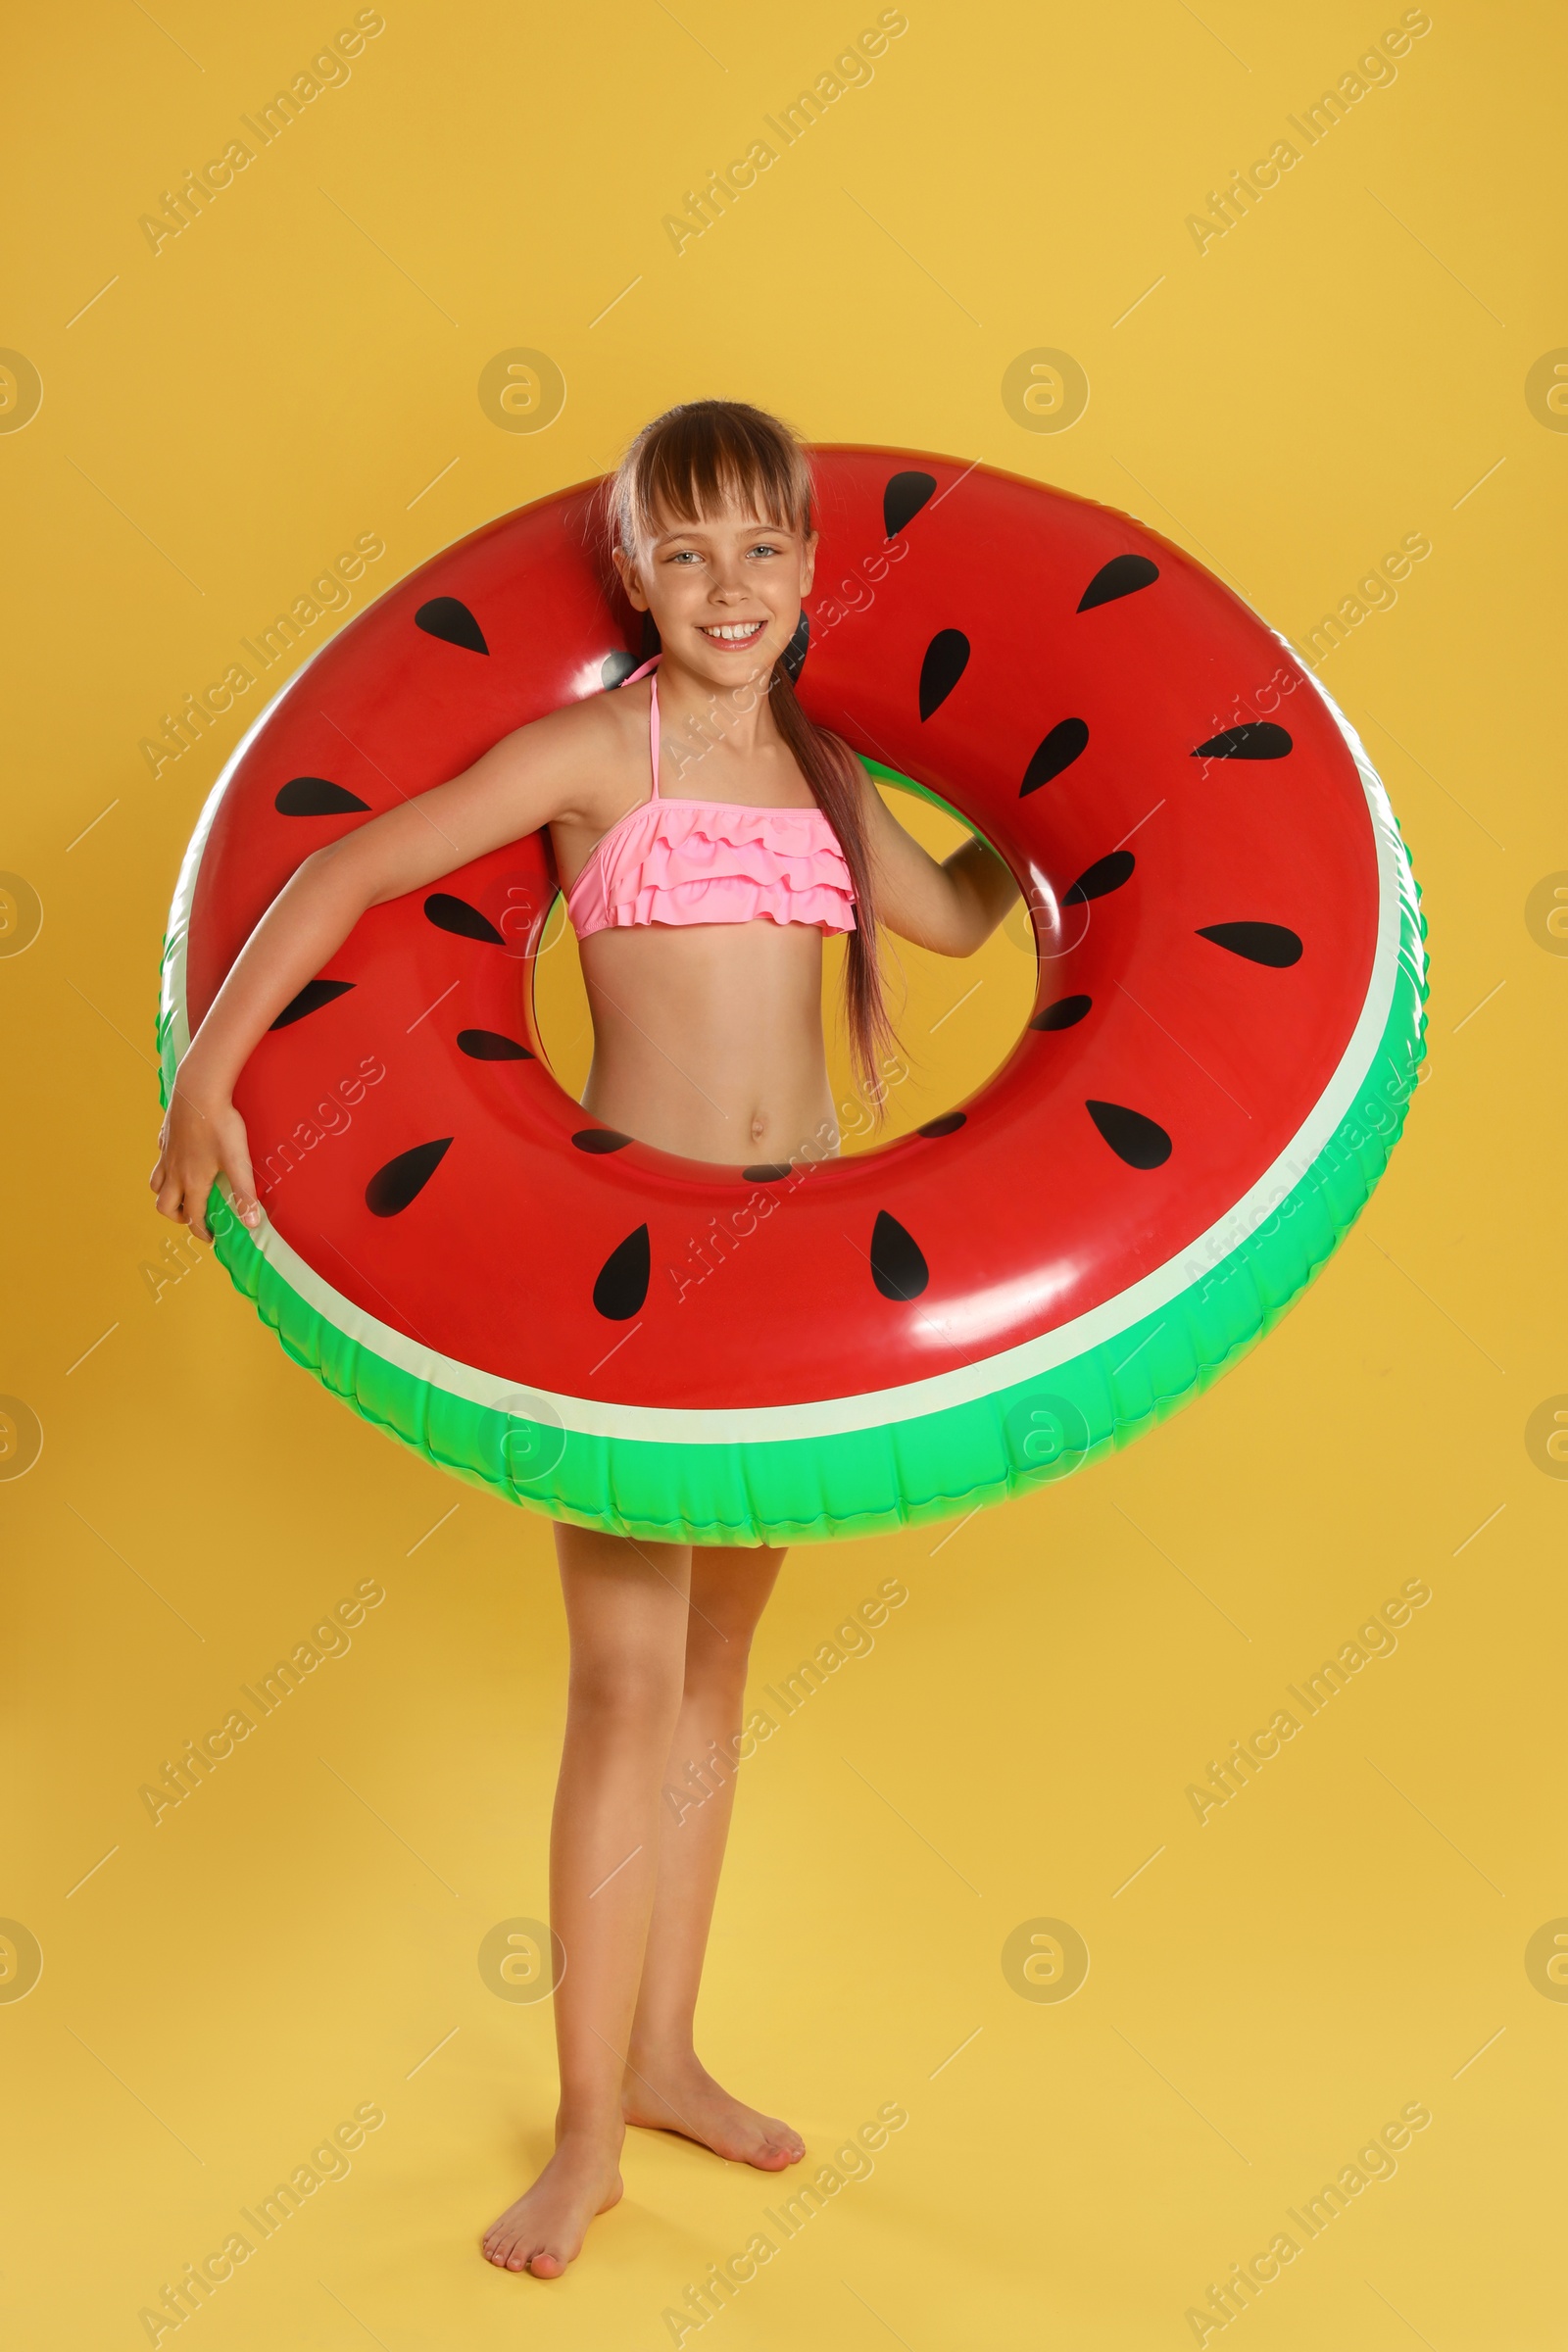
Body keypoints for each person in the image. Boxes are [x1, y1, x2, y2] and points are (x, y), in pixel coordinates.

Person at [149, 398, 1018, 2277]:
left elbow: (951, 919)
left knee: (713, 1678)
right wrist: (207, 1075)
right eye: (686, 551)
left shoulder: (826, 771)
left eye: (762, 550)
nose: (728, 587)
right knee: (623, 1688)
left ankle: (674, 2058)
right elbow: (347, 873)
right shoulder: (588, 758)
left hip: (802, 1283)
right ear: (634, 568)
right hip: (643, 1286)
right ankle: (584, 2138)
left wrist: (1066, 795)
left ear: (807, 573)